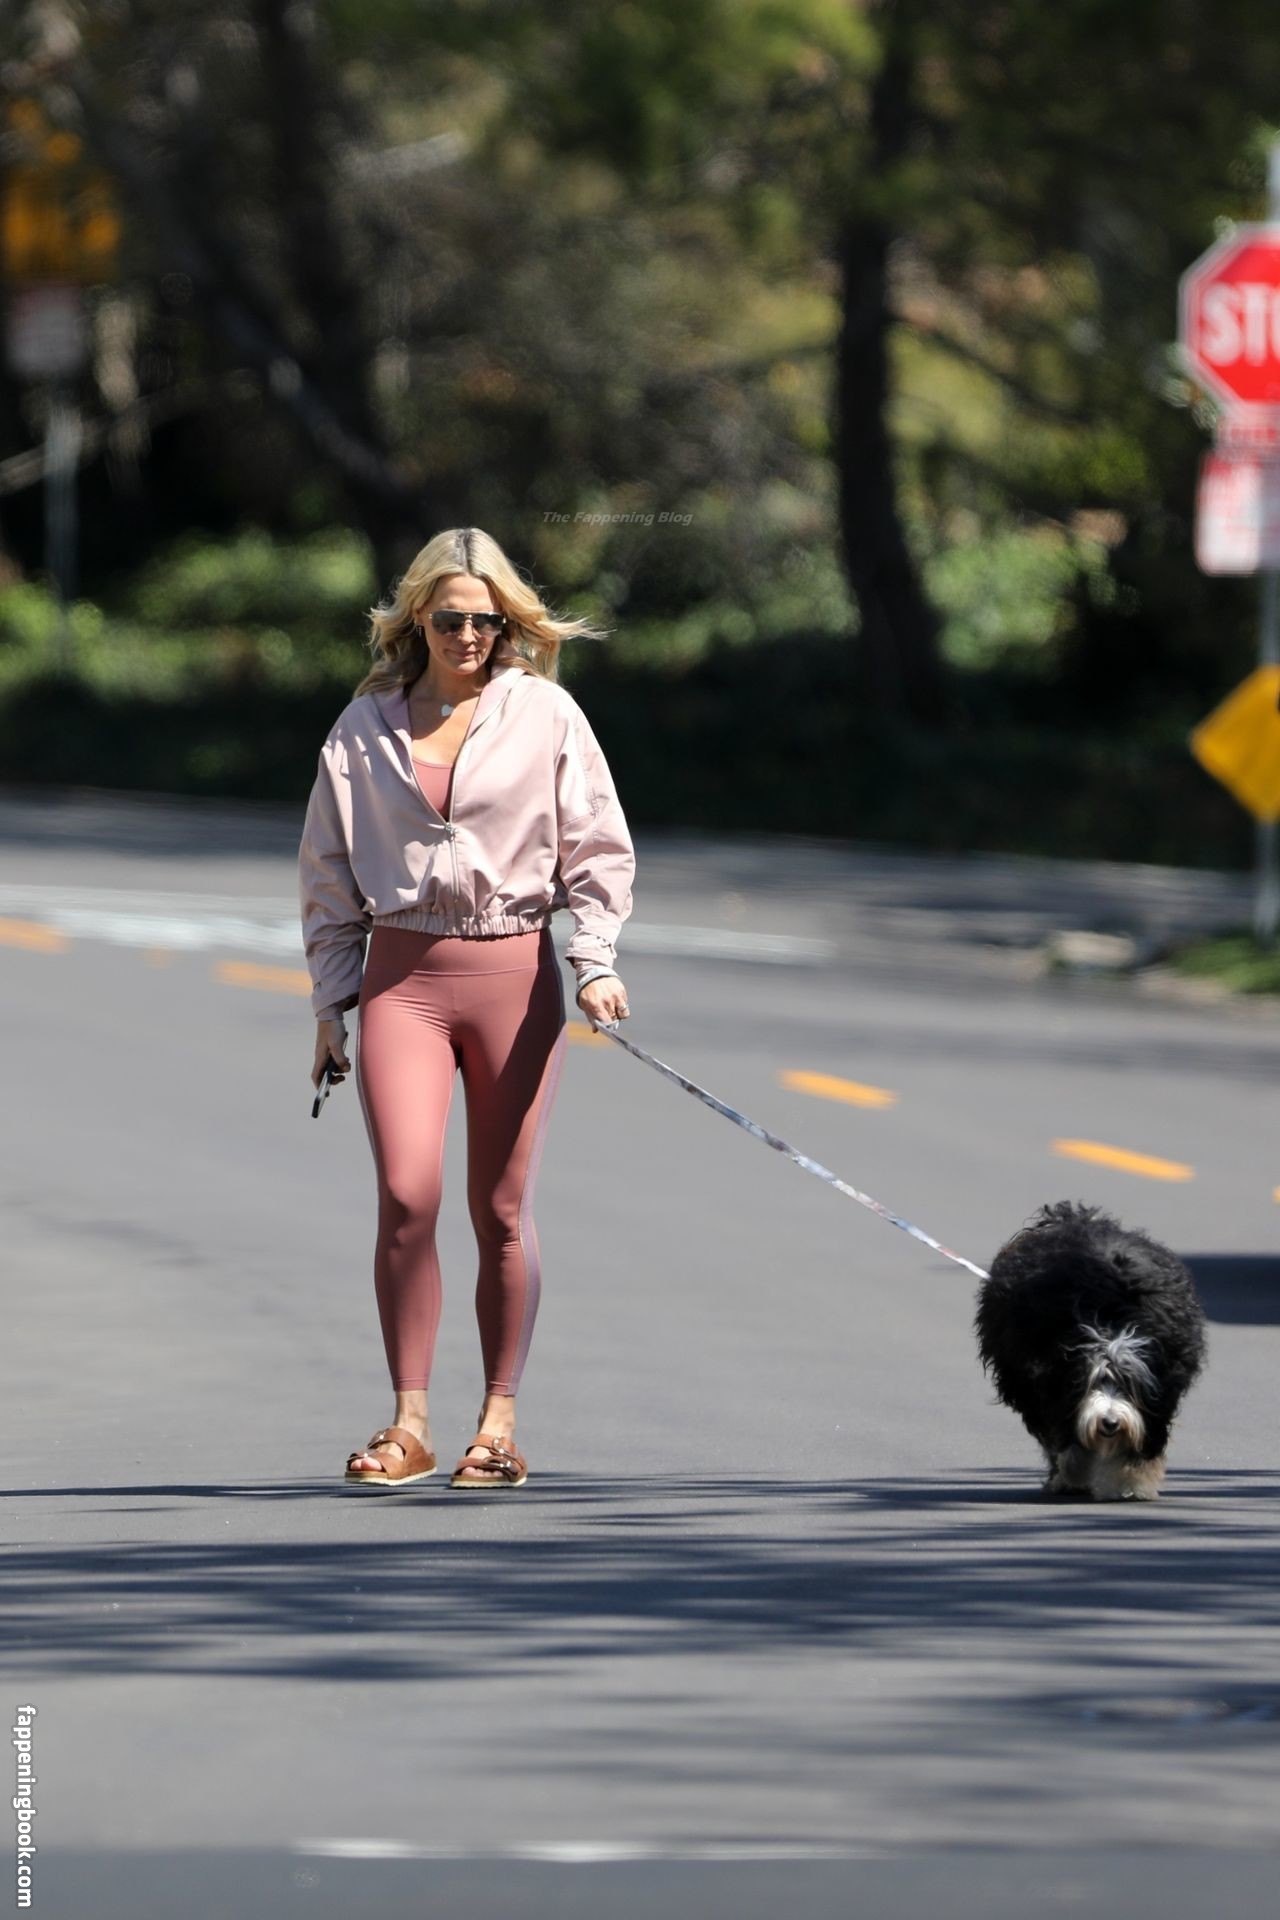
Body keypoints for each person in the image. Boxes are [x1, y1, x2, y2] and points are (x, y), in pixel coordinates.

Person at [298, 526, 634, 1491]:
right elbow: (327, 870)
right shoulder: (362, 728)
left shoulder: (547, 716)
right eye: (451, 619)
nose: (470, 637)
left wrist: (595, 961)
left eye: (488, 621)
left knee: (500, 1207)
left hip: (513, 980)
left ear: (508, 624)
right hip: (402, 980)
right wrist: (331, 1003)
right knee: (408, 1195)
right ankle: (410, 1423)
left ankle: (498, 1423)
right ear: (418, 618)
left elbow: (597, 845)